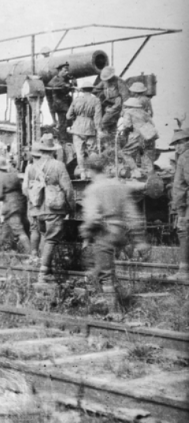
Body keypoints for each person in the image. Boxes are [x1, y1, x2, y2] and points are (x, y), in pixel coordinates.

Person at [80, 154, 148, 313]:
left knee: (104, 273)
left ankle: (114, 312)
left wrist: (85, 233)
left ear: (90, 170)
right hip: (120, 233)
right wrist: (139, 240)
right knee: (103, 268)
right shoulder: (118, 185)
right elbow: (132, 214)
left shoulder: (93, 189)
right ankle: (115, 298)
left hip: (104, 233)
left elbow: (92, 217)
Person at [34, 142, 75, 282]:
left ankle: (42, 266)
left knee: (44, 236)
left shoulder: (34, 165)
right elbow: (68, 189)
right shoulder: (58, 165)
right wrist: (71, 206)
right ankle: (44, 273)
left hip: (39, 207)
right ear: (53, 151)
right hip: (54, 207)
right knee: (51, 239)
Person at [0, 156, 31, 253]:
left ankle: (32, 256)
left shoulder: (0, 178)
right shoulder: (14, 175)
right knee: (4, 232)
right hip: (20, 205)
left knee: (19, 231)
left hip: (11, 207)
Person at [66, 81, 103, 180]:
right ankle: (91, 172)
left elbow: (68, 116)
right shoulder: (96, 100)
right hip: (90, 128)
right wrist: (98, 129)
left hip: (77, 128)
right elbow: (97, 117)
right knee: (92, 152)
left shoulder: (76, 100)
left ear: (82, 90)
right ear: (91, 89)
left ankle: (82, 173)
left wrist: (77, 117)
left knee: (79, 152)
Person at [118, 97, 159, 178]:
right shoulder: (144, 112)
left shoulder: (128, 112)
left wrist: (123, 131)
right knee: (145, 154)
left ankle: (135, 171)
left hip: (137, 136)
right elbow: (152, 124)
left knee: (125, 153)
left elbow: (127, 126)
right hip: (149, 135)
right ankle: (150, 174)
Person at [169, 129, 189, 281]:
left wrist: (181, 212)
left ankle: (183, 272)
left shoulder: (185, 157)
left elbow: (181, 187)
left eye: (178, 143)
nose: (176, 147)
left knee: (183, 232)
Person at [93, 66, 130, 144]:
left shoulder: (119, 82)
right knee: (111, 127)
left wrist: (124, 111)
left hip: (116, 106)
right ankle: (111, 143)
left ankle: (106, 139)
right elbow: (96, 89)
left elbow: (125, 97)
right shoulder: (104, 81)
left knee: (103, 122)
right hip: (107, 105)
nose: (106, 81)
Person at [22, 145, 44, 260]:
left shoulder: (29, 168)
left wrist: (32, 198)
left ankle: (34, 255)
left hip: (34, 205)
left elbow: (24, 188)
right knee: (45, 231)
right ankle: (44, 257)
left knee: (34, 229)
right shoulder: (47, 166)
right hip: (46, 205)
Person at [47, 62, 76, 143]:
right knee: (63, 124)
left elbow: (73, 86)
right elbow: (51, 85)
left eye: (67, 70)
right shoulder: (55, 79)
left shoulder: (66, 79)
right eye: (65, 70)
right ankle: (63, 140)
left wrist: (73, 80)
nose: (66, 72)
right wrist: (64, 85)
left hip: (67, 104)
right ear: (59, 70)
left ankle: (65, 138)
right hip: (60, 105)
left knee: (68, 123)